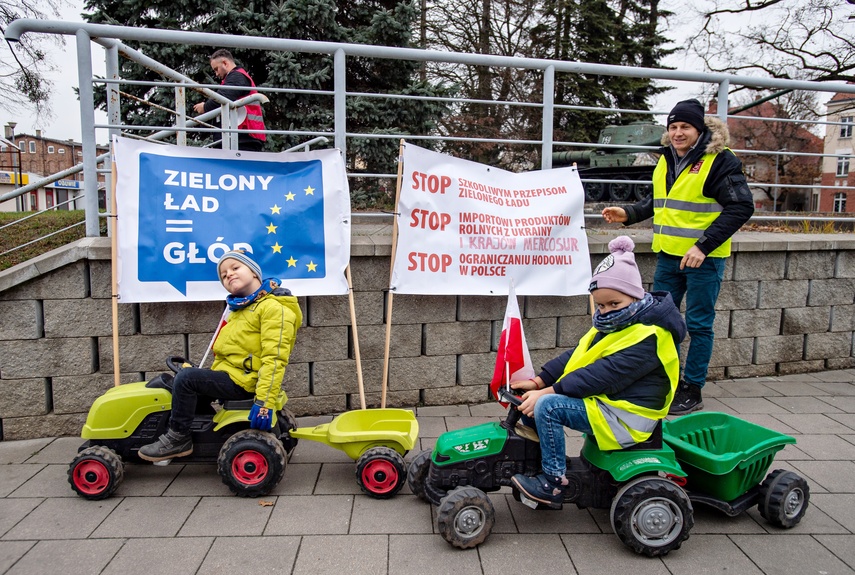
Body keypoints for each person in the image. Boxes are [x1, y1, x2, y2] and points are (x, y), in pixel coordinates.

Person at [509, 236, 686, 509]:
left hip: (628, 416)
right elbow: (578, 355)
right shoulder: (618, 323)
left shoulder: (649, 337)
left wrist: (548, 392)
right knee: (531, 402)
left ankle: (553, 482)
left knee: (548, 407)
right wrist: (538, 381)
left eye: (613, 303)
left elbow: (602, 375)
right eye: (601, 305)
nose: (605, 311)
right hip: (609, 403)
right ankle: (535, 463)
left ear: (636, 294)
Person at [602, 99, 754, 415]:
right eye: (672, 127)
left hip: (703, 259)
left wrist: (703, 246)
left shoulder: (720, 160)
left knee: (698, 325)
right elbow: (660, 201)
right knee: (657, 320)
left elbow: (741, 206)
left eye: (684, 126)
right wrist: (628, 213)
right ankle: (663, 380)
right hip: (669, 256)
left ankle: (692, 388)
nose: (677, 133)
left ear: (699, 129)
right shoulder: (667, 158)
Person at [139, 249, 302, 462]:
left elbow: (275, 359)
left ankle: (178, 437)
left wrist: (264, 402)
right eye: (224, 275)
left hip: (244, 382)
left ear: (254, 272)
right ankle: (199, 432)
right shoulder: (242, 308)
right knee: (177, 382)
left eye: (235, 268)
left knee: (187, 380)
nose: (229, 275)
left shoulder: (272, 309)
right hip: (234, 375)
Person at [193, 49, 266, 152]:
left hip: (243, 137)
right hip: (242, 136)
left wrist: (204, 107)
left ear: (225, 63)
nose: (216, 74)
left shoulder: (237, 77)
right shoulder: (236, 77)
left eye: (216, 69)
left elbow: (223, 98)